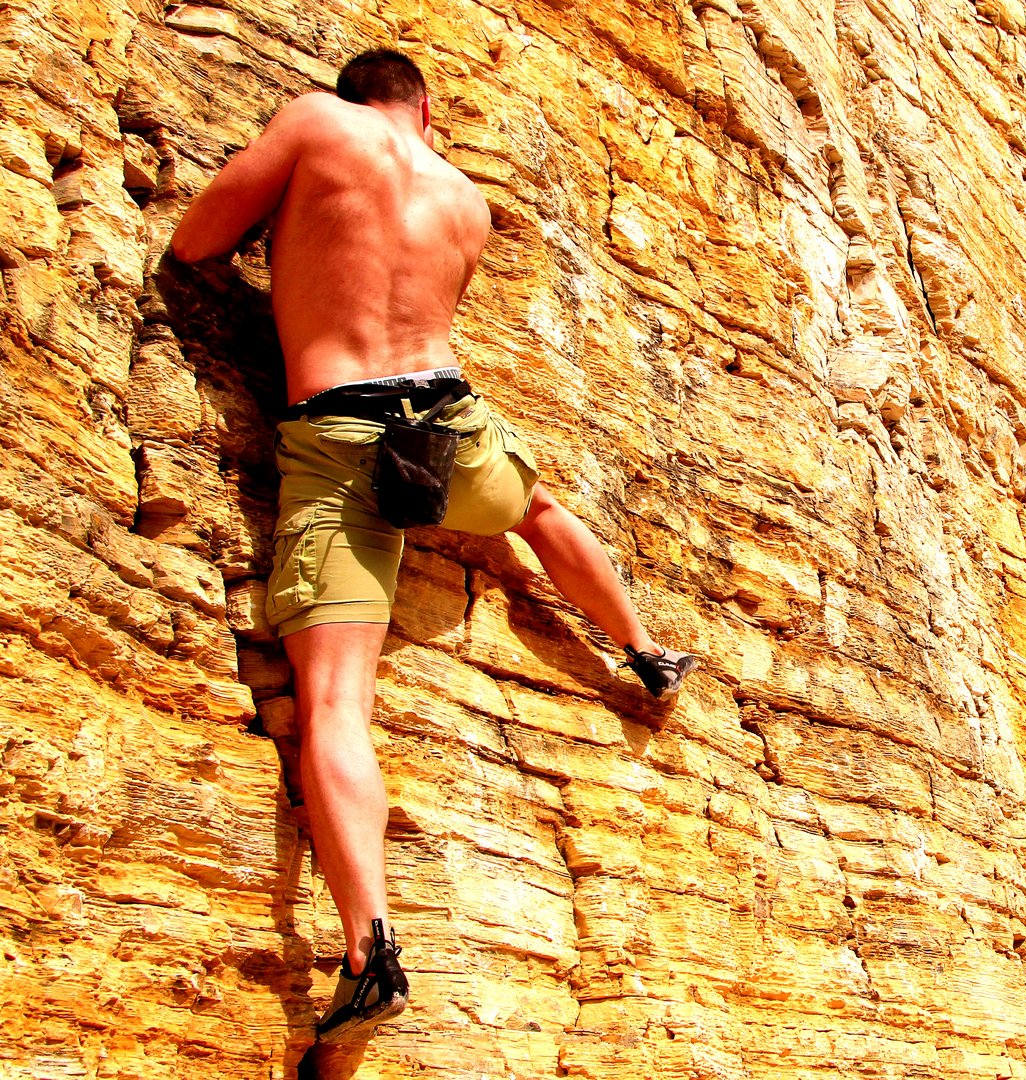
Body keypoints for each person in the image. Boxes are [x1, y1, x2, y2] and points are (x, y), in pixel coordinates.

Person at [170, 48, 697, 1044]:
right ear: (426, 110)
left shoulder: (316, 121)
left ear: (354, 94)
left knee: (334, 705)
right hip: (444, 426)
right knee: (537, 513)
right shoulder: (467, 199)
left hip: (335, 432)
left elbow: (198, 239)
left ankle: (371, 950)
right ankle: (642, 650)